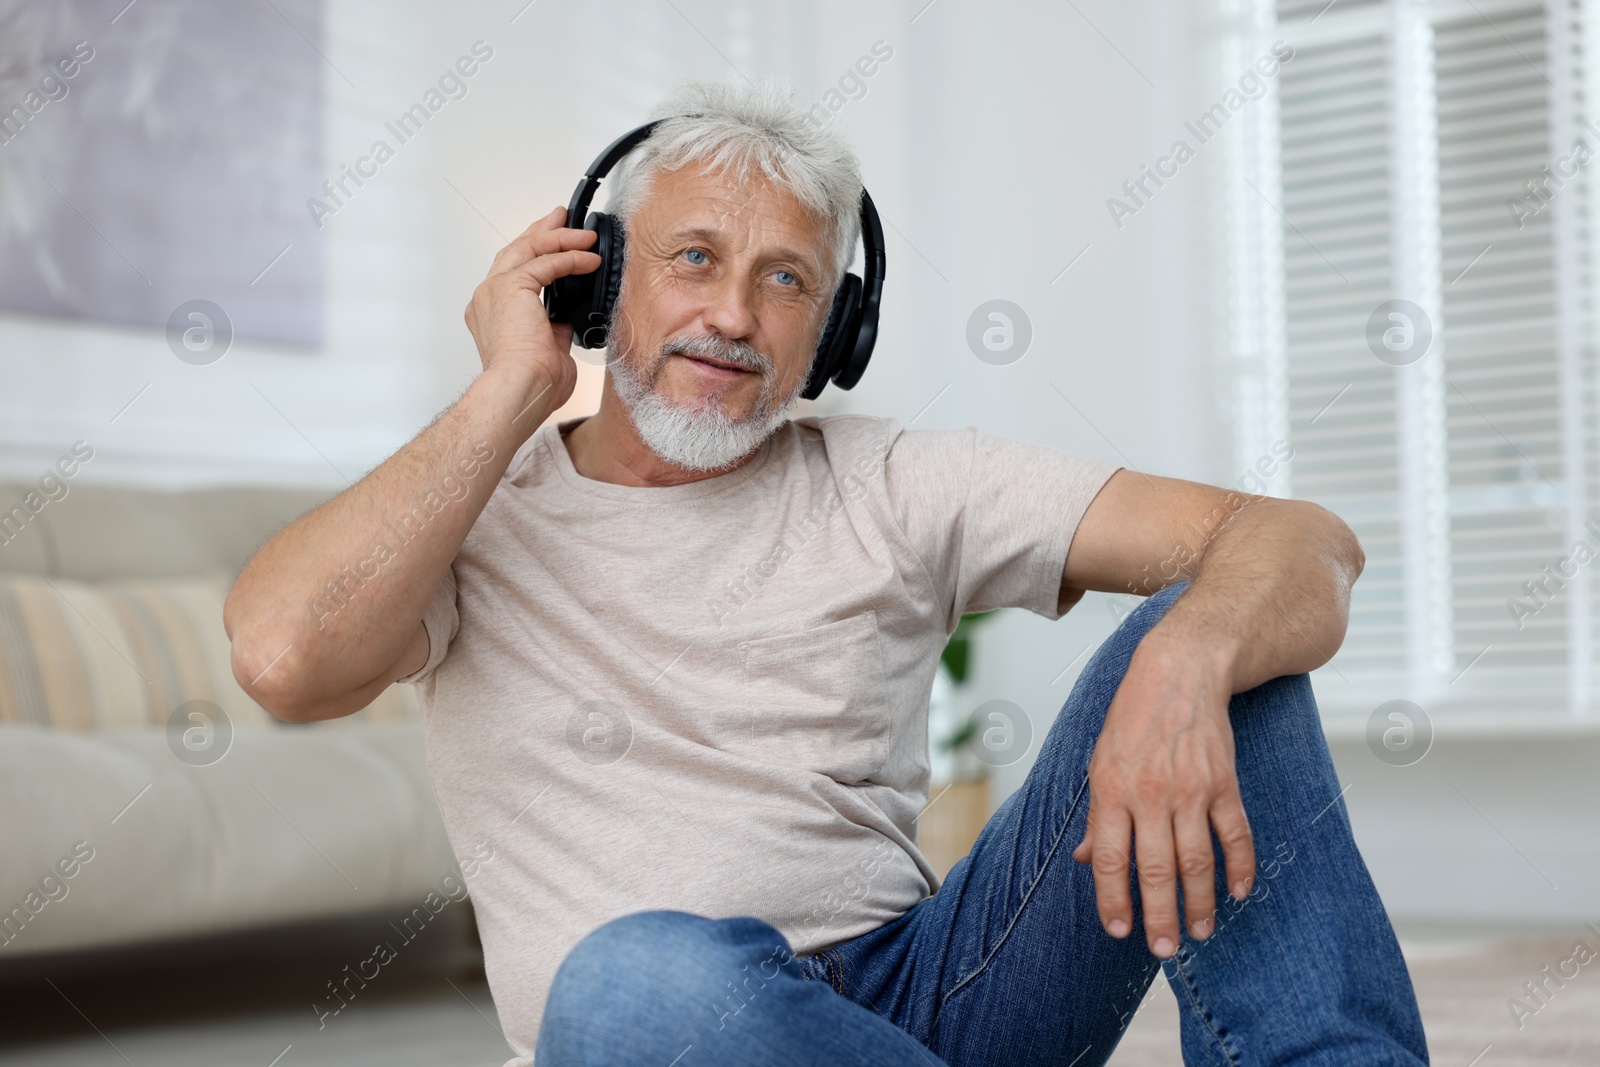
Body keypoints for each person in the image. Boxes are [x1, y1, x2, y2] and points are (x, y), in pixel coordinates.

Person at [224, 80, 1429, 1066]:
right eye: (693, 258)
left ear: (832, 333)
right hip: (673, 1025)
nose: (734, 314)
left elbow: (1301, 540)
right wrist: (505, 391)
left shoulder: (894, 479)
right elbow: (282, 657)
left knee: (1225, 635)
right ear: (597, 280)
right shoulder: (474, 517)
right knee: (635, 979)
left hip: (937, 992)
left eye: (786, 278)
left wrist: (1187, 655)